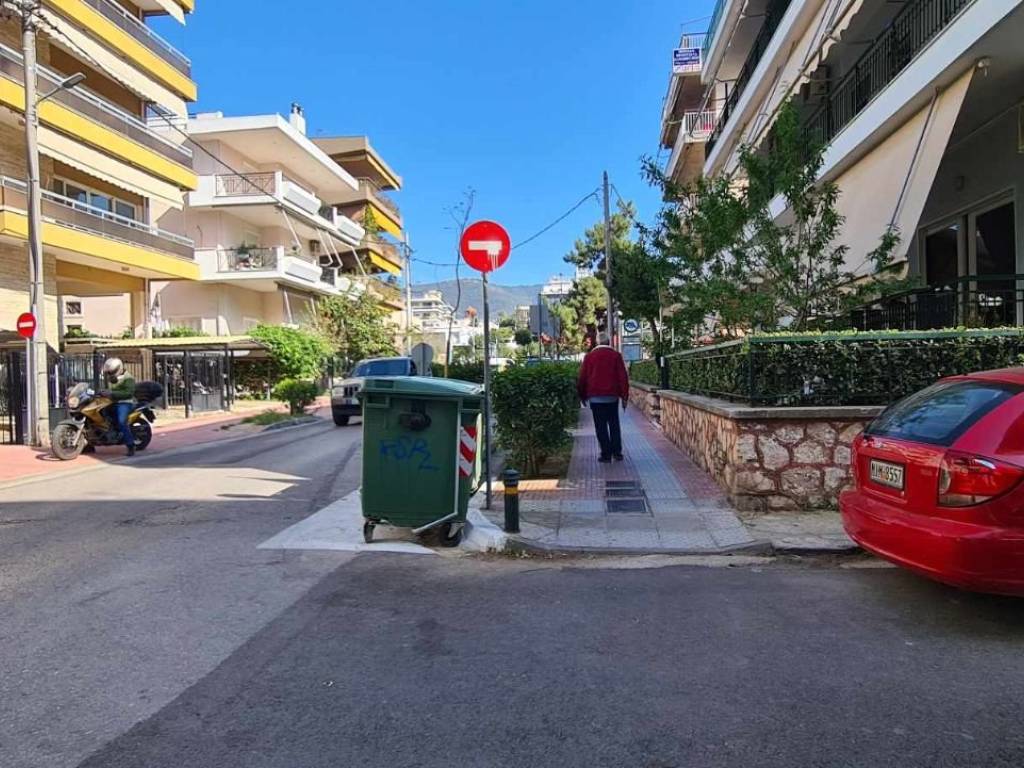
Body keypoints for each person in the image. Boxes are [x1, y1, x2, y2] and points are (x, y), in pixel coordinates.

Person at [577, 333, 629, 463]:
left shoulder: (589, 357)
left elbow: (582, 377)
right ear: (608, 342)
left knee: (600, 426)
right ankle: (617, 453)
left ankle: (605, 454)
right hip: (612, 397)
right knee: (614, 424)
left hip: (595, 397)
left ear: (597, 342)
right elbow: (623, 377)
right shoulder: (616, 356)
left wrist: (582, 395)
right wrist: (624, 396)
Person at [101, 358, 138, 456]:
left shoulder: (128, 378)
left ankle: (130, 445)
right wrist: (103, 392)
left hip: (125, 402)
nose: (110, 374)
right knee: (101, 414)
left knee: (122, 422)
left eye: (112, 372)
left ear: (119, 368)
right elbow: (110, 389)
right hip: (112, 401)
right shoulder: (112, 378)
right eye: (109, 372)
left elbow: (129, 393)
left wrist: (112, 393)